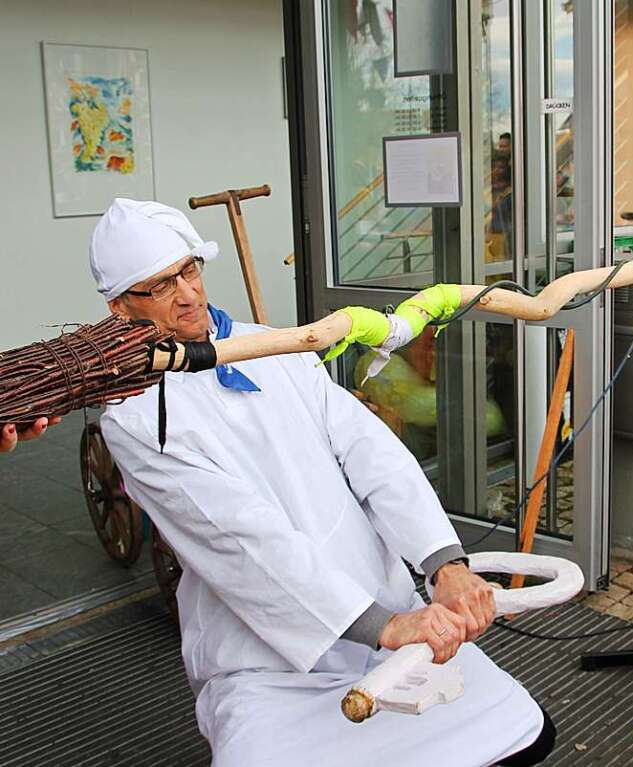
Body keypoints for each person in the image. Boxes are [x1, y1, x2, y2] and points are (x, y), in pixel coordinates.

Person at [90, 199, 553, 767]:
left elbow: (371, 452)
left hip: (385, 608)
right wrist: (385, 627)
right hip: (266, 655)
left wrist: (445, 565)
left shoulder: (274, 346)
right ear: (119, 307)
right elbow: (239, 537)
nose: (186, 294)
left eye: (189, 271)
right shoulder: (133, 416)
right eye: (159, 287)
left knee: (517, 732)